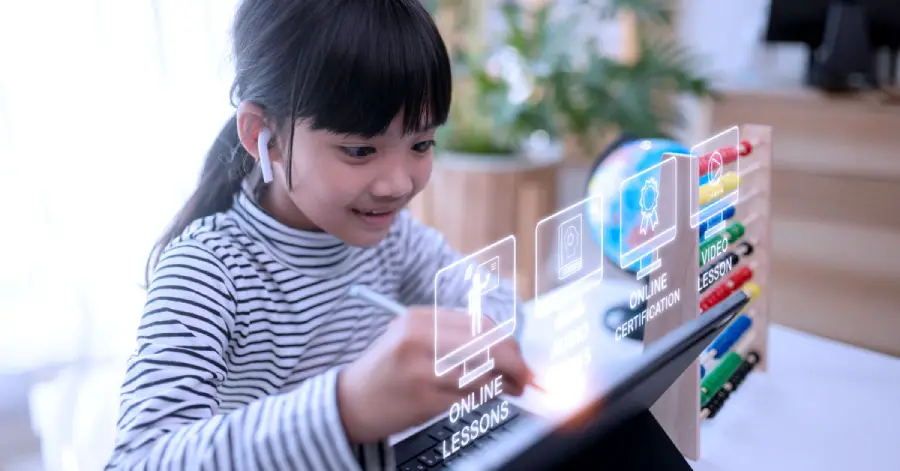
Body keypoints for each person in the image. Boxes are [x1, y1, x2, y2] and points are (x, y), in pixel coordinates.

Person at [104, 1, 533, 470]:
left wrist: (476, 337)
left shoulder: (394, 240)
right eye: (359, 149)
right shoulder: (208, 271)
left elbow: (492, 298)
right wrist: (346, 408)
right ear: (261, 134)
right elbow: (138, 460)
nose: (399, 184)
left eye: (422, 144)